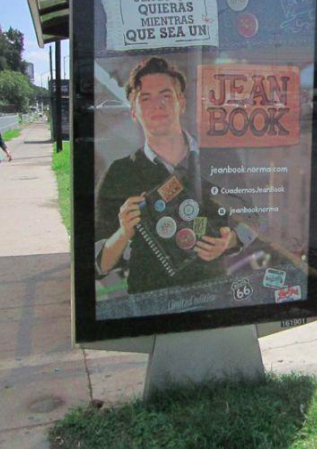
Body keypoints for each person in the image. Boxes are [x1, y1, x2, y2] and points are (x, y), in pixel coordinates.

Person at [95, 56, 247, 295]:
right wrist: (123, 233)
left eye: (166, 96)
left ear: (181, 103)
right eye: (145, 98)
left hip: (213, 294)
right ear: (133, 112)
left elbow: (251, 220)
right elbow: (100, 265)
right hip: (149, 300)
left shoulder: (221, 158)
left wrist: (231, 240)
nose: (157, 105)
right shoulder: (120, 172)